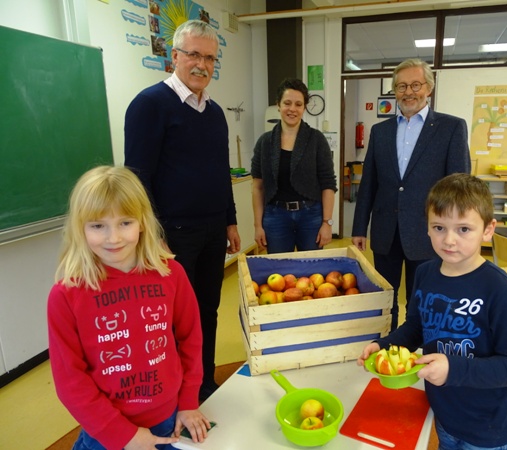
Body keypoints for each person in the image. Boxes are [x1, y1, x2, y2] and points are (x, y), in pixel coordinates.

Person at [358, 173, 507, 450]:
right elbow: (416, 326)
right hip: (443, 416)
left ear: (488, 229)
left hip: (488, 429)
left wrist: (453, 369)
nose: (449, 240)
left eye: (464, 229)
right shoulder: (426, 273)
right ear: (426, 227)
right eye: (439, 227)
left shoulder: (500, 290)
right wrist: (384, 345)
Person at [47, 166, 212, 450]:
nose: (114, 238)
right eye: (98, 226)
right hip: (107, 432)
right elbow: (70, 380)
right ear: (80, 228)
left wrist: (188, 402)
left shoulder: (171, 274)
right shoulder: (66, 294)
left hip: (170, 418)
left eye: (125, 223)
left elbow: (191, 339)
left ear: (142, 223)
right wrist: (122, 434)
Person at [124, 19, 240, 402]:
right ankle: (174, 394)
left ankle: (204, 385)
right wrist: (151, 237)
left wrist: (230, 220)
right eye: (193, 54)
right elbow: (137, 180)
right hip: (170, 236)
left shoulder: (215, 112)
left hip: (210, 232)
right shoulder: (149, 105)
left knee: (207, 312)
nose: (201, 64)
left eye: (209, 57)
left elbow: (220, 173)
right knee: (173, 320)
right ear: (174, 56)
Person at [352, 58, 471, 330]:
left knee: (423, 299)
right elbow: (369, 182)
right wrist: (360, 228)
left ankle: (418, 348)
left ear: (428, 88)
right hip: (386, 231)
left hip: (429, 232)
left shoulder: (451, 127)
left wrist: (457, 233)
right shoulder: (380, 131)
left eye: (415, 85)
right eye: (402, 86)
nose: (409, 92)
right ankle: (387, 342)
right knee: (385, 296)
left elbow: (459, 186)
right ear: (395, 91)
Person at [251, 78, 337, 253]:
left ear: (304, 108)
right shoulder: (264, 142)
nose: (292, 109)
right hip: (276, 217)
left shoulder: (316, 140)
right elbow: (258, 187)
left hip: (311, 216)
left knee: (312, 270)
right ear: (278, 105)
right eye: (287, 103)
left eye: (298, 104)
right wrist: (258, 225)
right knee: (279, 272)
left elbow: (328, 184)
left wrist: (327, 223)